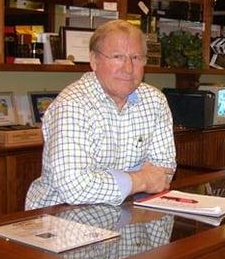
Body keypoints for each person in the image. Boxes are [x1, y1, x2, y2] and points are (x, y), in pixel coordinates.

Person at [26, 20, 176, 209]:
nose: (128, 68)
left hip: (128, 210)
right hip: (61, 215)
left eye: (136, 58)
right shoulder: (72, 105)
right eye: (117, 57)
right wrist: (141, 180)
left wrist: (127, 183)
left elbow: (163, 172)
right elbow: (74, 187)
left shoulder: (155, 101)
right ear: (94, 61)